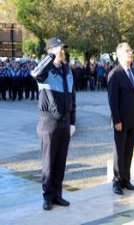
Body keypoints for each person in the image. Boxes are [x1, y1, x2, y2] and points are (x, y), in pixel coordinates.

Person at [31, 37, 76, 210]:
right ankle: (48, 197)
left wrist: (72, 121)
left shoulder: (67, 70)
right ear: (50, 51)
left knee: (60, 162)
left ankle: (58, 195)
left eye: (63, 49)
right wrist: (51, 57)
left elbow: (73, 97)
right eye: (59, 49)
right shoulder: (45, 71)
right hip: (48, 121)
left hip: (64, 121)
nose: (62, 51)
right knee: (48, 163)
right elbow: (35, 73)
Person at [107, 42, 134, 195]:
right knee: (119, 150)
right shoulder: (115, 74)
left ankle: (126, 179)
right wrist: (116, 120)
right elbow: (112, 100)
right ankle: (116, 181)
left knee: (128, 150)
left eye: (131, 50)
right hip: (121, 120)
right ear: (119, 55)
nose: (131, 53)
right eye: (127, 51)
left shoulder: (133, 72)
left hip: (132, 119)